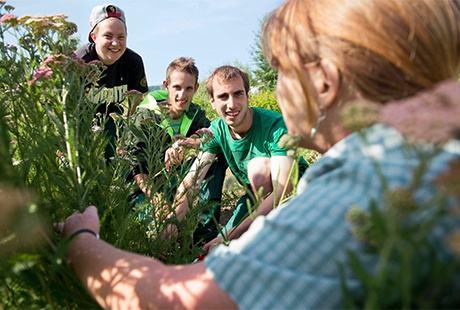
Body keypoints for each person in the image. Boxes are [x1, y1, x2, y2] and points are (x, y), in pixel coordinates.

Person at [58, 0, 460, 308]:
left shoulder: (359, 187)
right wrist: (171, 217)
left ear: (323, 83)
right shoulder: (427, 151)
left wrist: (81, 241)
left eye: (279, 69)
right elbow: (195, 175)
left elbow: (174, 300)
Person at [163, 65, 309, 249]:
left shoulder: (275, 125)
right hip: (258, 197)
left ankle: (276, 241)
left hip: (300, 194)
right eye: (223, 96)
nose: (232, 104)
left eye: (238, 94)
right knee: (221, 243)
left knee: (258, 168)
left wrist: (232, 235)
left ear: (248, 96)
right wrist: (172, 223)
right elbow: (192, 180)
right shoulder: (217, 130)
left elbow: (284, 191)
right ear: (212, 102)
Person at [130, 57, 226, 245]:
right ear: (166, 86)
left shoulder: (195, 114)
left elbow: (210, 137)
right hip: (146, 188)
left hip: (175, 183)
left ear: (196, 88)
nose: (183, 95)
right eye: (177, 87)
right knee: (161, 235)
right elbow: (135, 167)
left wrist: (187, 143)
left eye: (189, 88)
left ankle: (203, 240)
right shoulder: (144, 116)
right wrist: (157, 201)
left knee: (214, 158)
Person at [74, 4, 149, 160]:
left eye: (121, 37)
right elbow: (65, 111)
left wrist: (127, 134)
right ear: (94, 37)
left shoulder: (133, 62)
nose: (115, 43)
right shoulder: (79, 63)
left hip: (114, 125)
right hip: (80, 128)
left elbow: (136, 103)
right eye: (108, 36)